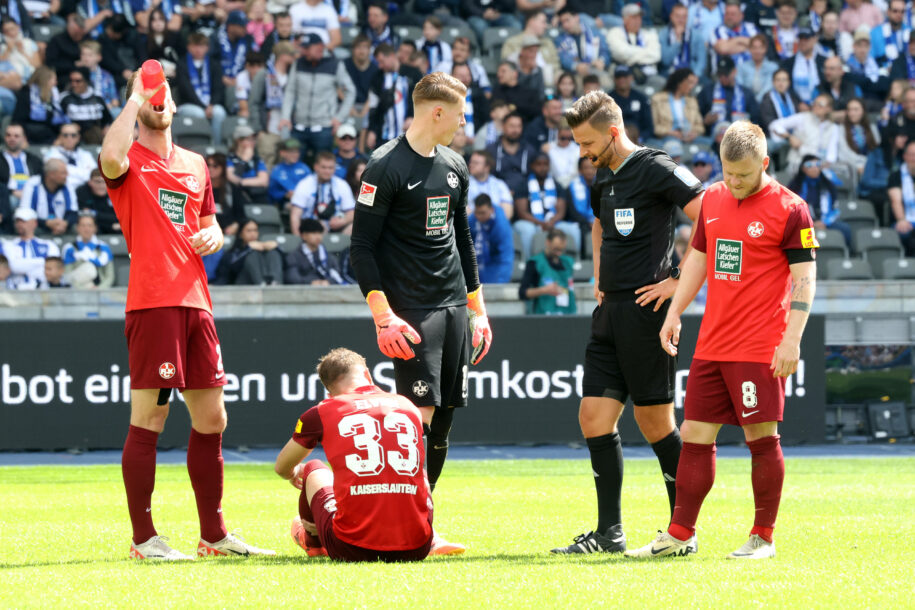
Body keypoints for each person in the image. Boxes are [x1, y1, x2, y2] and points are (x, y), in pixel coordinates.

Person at [98, 66, 274, 560]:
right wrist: (135, 97)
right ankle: (143, 539)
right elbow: (108, 155)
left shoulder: (196, 164)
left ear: (174, 106)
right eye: (149, 93)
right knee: (150, 416)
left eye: (164, 93)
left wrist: (215, 235)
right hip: (153, 303)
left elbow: (209, 221)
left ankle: (213, 536)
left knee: (213, 418)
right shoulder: (127, 159)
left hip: (197, 302)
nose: (158, 98)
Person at [626, 121, 818, 560]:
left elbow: (805, 278)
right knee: (693, 434)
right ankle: (679, 534)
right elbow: (697, 259)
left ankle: (763, 537)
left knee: (761, 436)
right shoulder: (712, 198)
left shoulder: (791, 209)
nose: (734, 182)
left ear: (765, 164)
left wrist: (792, 339)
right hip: (713, 342)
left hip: (759, 345)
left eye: (744, 175)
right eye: (728, 172)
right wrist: (674, 313)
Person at [551, 90, 703, 555]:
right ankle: (608, 533)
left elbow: (709, 215)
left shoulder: (656, 167)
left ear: (613, 132)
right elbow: (599, 225)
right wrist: (599, 272)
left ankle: (683, 533)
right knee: (593, 416)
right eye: (577, 144)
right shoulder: (603, 174)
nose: (582, 153)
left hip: (647, 314)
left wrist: (677, 281)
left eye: (586, 143)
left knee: (655, 422)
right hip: (609, 312)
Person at [349, 72, 493, 555]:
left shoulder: (455, 164)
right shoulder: (384, 167)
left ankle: (423, 526)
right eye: (460, 113)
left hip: (455, 307)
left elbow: (463, 240)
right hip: (411, 311)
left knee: (445, 418)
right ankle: (407, 528)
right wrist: (383, 315)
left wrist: (479, 310)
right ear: (437, 113)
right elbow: (361, 250)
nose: (464, 122)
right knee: (418, 418)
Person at [273, 348, 434, 562]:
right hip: (417, 548)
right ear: (367, 374)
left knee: (313, 466)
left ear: (329, 392)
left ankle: (312, 541)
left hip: (351, 547)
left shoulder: (324, 410)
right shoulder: (408, 406)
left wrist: (295, 471)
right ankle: (431, 537)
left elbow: (281, 468)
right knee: (421, 474)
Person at [280, 34, 356, 164]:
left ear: (320, 47)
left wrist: (339, 117)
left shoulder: (334, 64)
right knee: (294, 165)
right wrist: (286, 116)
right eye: (304, 48)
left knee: (323, 166)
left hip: (323, 127)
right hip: (299, 126)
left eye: (308, 48)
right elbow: (290, 91)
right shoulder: (298, 64)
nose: (304, 51)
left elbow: (350, 91)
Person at [513, 152, 581, 260]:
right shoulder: (523, 185)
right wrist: (541, 223)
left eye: (545, 164)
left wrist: (551, 222)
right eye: (538, 164)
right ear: (532, 166)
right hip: (530, 222)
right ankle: (528, 262)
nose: (542, 168)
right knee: (527, 230)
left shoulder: (556, 185)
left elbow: (561, 212)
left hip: (552, 222)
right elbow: (522, 213)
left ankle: (574, 263)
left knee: (574, 229)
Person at [174, 33, 228, 147]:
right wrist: (204, 107)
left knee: (219, 112)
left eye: (201, 46)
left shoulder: (214, 64)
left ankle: (216, 147)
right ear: (189, 47)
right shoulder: (182, 64)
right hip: (188, 104)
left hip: (210, 104)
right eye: (195, 46)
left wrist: (212, 104)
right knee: (199, 114)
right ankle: (201, 147)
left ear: (207, 48)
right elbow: (186, 90)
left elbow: (219, 88)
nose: (198, 49)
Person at [788, 153, 852, 247]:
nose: (814, 168)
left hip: (825, 221)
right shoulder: (795, 186)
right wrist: (811, 223)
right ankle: (809, 259)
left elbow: (835, 209)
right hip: (803, 224)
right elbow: (791, 210)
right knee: (804, 237)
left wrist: (824, 222)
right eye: (809, 165)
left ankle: (846, 257)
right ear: (803, 168)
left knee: (845, 229)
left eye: (818, 165)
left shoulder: (828, 185)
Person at [290, 151, 356, 235]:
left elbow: (351, 212)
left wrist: (343, 221)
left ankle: (345, 248)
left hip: (337, 227)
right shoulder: (304, 184)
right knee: (320, 226)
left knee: (356, 226)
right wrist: (299, 241)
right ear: (316, 167)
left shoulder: (342, 184)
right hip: (311, 228)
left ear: (334, 168)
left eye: (330, 168)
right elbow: (295, 216)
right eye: (324, 167)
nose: (327, 171)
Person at [519, 227, 576, 314]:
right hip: (543, 316)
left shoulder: (568, 263)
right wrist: (544, 290)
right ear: (548, 242)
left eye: (561, 250)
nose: (559, 253)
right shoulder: (534, 263)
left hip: (567, 314)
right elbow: (522, 293)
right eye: (556, 249)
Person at [699, 56, 761, 136]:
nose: (723, 77)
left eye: (726, 74)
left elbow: (756, 118)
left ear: (734, 71)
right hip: (713, 137)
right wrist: (705, 122)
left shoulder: (746, 93)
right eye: (720, 74)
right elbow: (698, 118)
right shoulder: (707, 91)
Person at [1, 206, 60, 289]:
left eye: (24, 221)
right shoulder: (8, 245)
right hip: (16, 292)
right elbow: (13, 266)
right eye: (17, 221)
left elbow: (54, 267)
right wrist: (43, 261)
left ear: (34, 223)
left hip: (44, 292)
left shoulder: (49, 245)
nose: (20, 224)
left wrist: (22, 264)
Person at [212, 218, 283, 285]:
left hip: (268, 282)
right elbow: (231, 270)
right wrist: (248, 249)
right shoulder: (233, 252)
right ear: (240, 234)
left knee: (273, 253)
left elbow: (285, 266)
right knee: (253, 255)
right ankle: (261, 284)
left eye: (255, 230)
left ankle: (275, 283)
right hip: (244, 284)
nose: (253, 234)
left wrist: (277, 248)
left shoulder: (263, 248)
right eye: (249, 231)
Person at [20, 158, 77, 235]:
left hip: (62, 226)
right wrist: (46, 223)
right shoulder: (33, 184)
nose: (67, 175)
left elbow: (73, 212)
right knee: (27, 226)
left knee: (77, 228)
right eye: (63, 173)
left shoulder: (67, 185)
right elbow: (25, 212)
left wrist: (64, 224)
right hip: (39, 225)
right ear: (51, 174)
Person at [606, 3, 661, 83]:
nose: (638, 21)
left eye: (639, 17)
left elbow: (656, 55)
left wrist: (630, 58)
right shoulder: (614, 33)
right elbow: (621, 54)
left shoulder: (650, 34)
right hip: (622, 73)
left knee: (660, 82)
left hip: (647, 73)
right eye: (634, 17)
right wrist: (646, 52)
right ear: (625, 19)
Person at [650, 68, 706, 146]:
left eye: (693, 84)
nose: (692, 87)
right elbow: (655, 127)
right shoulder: (658, 99)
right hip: (669, 137)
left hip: (689, 137)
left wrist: (694, 133)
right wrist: (671, 133)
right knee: (674, 145)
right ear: (680, 82)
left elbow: (700, 126)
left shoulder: (692, 101)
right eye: (689, 83)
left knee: (709, 143)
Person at [284, 218, 347, 285]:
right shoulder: (294, 256)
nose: (318, 237)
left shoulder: (328, 256)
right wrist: (310, 282)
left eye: (320, 233)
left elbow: (338, 273)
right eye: (314, 233)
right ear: (303, 235)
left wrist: (328, 282)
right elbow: (292, 278)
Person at [468, 193, 513, 284]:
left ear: (491, 210)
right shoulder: (473, 219)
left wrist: (501, 283)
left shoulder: (502, 226)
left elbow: (506, 257)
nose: (479, 216)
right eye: (477, 212)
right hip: (476, 261)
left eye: (483, 213)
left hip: (495, 262)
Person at [61, 212, 114, 288]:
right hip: (78, 291)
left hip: (101, 291)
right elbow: (68, 276)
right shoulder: (69, 248)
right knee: (89, 268)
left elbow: (109, 276)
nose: (86, 229)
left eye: (90, 225)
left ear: (95, 228)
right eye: (83, 225)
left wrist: (99, 289)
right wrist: (85, 291)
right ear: (77, 228)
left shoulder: (104, 247)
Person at [608, 66, 654, 144]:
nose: (622, 80)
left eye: (625, 77)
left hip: (639, 139)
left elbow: (649, 126)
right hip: (616, 139)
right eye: (619, 77)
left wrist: (640, 139)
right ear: (614, 79)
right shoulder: (608, 100)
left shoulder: (641, 98)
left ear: (631, 78)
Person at [0, 122, 42, 207]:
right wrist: (12, 191)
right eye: (8, 135)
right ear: (4, 137)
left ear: (24, 138)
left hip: (33, 194)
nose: (12, 138)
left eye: (16, 136)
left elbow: (41, 179)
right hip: (8, 196)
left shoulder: (34, 160)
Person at [226, 124, 269, 205]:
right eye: (249, 139)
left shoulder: (257, 159)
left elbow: (263, 181)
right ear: (239, 141)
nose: (253, 142)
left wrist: (241, 182)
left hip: (257, 195)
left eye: (254, 139)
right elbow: (232, 178)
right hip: (238, 197)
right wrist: (244, 161)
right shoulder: (230, 158)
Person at [44, 123, 95, 189]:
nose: (69, 138)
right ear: (60, 137)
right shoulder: (51, 154)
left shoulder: (86, 154)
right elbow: (58, 176)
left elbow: (93, 175)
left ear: (78, 137)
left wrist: (69, 171)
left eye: (73, 135)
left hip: (85, 192)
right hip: (62, 190)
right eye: (65, 135)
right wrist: (83, 172)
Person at [888, 139, 915, 257]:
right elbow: (896, 201)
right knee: (904, 232)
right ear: (905, 156)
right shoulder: (896, 175)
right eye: (912, 155)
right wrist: (901, 219)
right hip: (907, 219)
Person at [268, 138, 311, 208]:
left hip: (305, 200)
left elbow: (311, 186)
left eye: (297, 152)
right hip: (285, 202)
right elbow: (272, 191)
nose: (295, 155)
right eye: (291, 152)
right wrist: (285, 194)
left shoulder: (304, 168)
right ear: (282, 153)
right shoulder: (277, 170)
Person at [737, 34, 778, 102]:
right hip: (746, 102)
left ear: (765, 49)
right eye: (754, 48)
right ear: (749, 49)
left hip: (766, 102)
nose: (757, 51)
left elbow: (768, 87)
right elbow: (740, 86)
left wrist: (755, 101)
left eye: (760, 48)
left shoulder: (773, 67)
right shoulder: (742, 67)